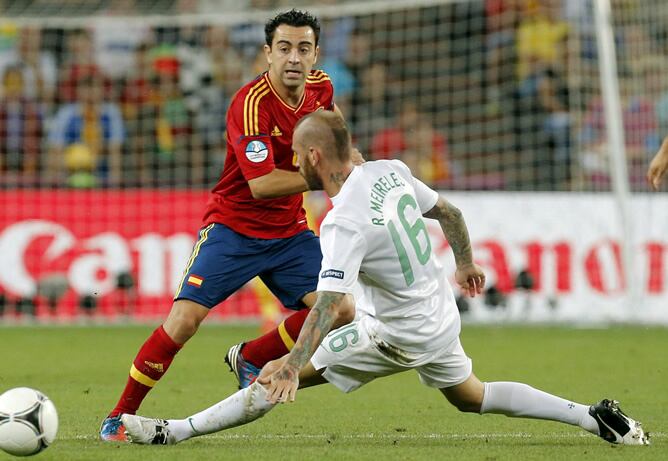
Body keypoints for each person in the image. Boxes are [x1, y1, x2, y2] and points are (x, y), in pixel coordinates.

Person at [120, 111, 649, 447]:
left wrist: (292, 363)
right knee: (470, 395)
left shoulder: (343, 220)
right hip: (439, 316)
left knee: (277, 378)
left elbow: (327, 304)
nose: (293, 163)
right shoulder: (390, 171)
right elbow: (450, 213)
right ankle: (591, 417)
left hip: (393, 334)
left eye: (297, 156)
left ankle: (173, 431)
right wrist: (464, 262)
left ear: (313, 156)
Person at [99, 10, 358, 441]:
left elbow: (338, 134)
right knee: (183, 321)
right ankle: (119, 415)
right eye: (284, 48)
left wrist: (350, 162)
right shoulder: (250, 104)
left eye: (303, 48)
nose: (294, 58)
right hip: (233, 229)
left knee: (342, 308)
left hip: (290, 232)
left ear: (315, 54)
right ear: (267, 53)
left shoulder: (322, 86)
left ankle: (252, 356)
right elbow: (261, 184)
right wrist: (327, 176)